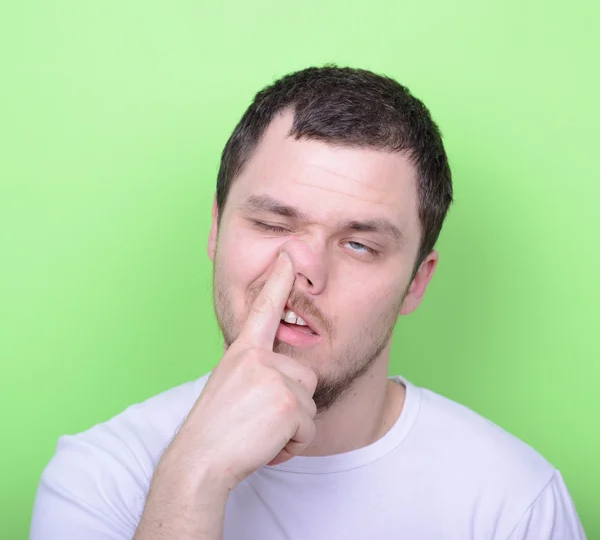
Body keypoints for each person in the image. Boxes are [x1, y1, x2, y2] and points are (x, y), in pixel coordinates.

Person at [30, 65, 587, 540]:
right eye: (273, 223)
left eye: (360, 245)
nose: (305, 272)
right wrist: (192, 480)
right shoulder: (98, 475)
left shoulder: (516, 503)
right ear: (216, 231)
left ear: (417, 282)